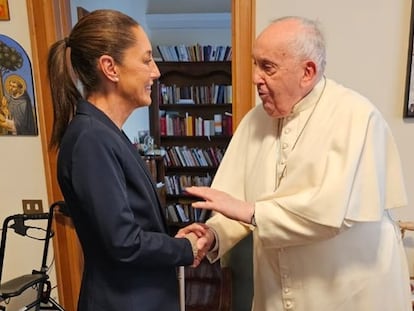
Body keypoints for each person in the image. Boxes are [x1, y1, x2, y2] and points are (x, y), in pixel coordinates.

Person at [179, 16, 412, 311]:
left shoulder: (356, 117)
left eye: (268, 67)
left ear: (307, 72)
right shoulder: (254, 121)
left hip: (349, 292)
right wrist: (213, 235)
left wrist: (252, 212)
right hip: (277, 290)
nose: (255, 78)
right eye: (254, 64)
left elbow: (329, 213)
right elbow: (234, 203)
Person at [47, 9, 207, 311]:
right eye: (146, 59)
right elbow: (123, 242)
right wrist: (183, 248)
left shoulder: (107, 133)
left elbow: (130, 226)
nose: (156, 71)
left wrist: (173, 239)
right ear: (110, 68)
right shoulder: (90, 139)